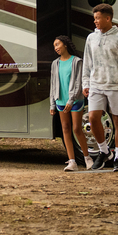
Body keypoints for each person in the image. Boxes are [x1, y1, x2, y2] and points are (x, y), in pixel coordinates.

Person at [81, 3, 118, 172]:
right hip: (96, 84)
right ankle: (104, 151)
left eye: (98, 18)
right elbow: (87, 62)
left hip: (115, 85)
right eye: (94, 18)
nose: (95, 21)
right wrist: (85, 83)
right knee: (93, 117)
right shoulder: (91, 38)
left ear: (108, 18)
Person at [49, 35, 91, 171]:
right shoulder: (55, 63)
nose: (56, 48)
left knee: (77, 129)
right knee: (65, 129)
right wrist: (52, 104)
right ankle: (72, 161)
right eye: (54, 46)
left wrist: (71, 100)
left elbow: (79, 82)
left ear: (65, 45)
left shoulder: (77, 61)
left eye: (58, 44)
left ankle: (87, 158)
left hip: (75, 100)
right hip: (60, 101)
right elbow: (53, 84)